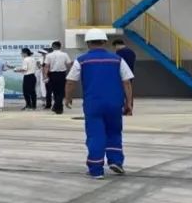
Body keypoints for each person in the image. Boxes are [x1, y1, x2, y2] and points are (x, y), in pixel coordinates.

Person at [65, 29, 134, 179]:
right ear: (105, 42)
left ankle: (96, 169)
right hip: (115, 103)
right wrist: (129, 103)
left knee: (95, 135)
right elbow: (127, 82)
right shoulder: (117, 59)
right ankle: (116, 161)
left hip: (93, 104)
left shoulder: (81, 60)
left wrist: (68, 98)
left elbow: (70, 82)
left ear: (88, 43)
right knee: (114, 132)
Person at [44, 41, 72, 114]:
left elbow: (46, 66)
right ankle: (58, 107)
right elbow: (69, 64)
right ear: (60, 46)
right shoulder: (65, 54)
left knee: (55, 91)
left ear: (53, 47)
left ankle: (57, 106)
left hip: (52, 74)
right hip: (61, 74)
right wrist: (70, 73)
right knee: (61, 91)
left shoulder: (49, 55)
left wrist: (45, 75)